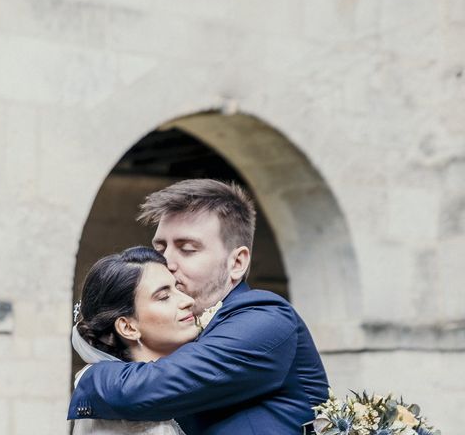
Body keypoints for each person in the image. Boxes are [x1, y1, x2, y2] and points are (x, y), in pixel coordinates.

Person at [69, 179, 329, 434]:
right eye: (160, 247)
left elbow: (151, 388)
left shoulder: (265, 319)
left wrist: (89, 377)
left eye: (187, 249)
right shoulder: (175, 335)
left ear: (237, 263)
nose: (166, 261)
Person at [72, 246, 199, 435]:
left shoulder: (153, 402)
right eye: (164, 297)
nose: (188, 300)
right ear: (128, 327)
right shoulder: (137, 422)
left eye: (177, 288)